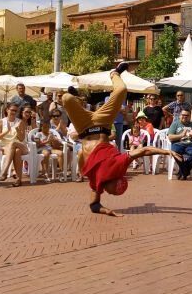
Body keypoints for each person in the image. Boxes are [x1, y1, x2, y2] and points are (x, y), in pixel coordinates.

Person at [62, 63, 181, 216]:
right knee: (121, 90)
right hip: (102, 122)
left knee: (66, 98)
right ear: (115, 180)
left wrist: (106, 211)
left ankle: (78, 98)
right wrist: (167, 151)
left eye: (113, 193)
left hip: (83, 128)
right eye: (114, 191)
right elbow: (144, 150)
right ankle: (114, 73)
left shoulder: (97, 184)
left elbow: (94, 206)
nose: (111, 194)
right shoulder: (118, 166)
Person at [0, 102, 29, 187]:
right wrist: (5, 132)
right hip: (5, 147)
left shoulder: (20, 122)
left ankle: (4, 172)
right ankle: (18, 180)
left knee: (13, 143)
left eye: (15, 111)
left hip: (20, 145)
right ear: (7, 110)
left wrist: (17, 130)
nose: (13, 112)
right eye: (12, 110)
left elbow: (21, 139)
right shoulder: (1, 122)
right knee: (17, 152)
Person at [167, 110, 192, 180]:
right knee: (176, 152)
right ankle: (185, 172)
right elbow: (170, 137)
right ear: (180, 116)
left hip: (190, 144)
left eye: (187, 115)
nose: (185, 117)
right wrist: (181, 135)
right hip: (178, 144)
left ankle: (183, 171)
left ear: (189, 116)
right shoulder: (175, 124)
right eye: (183, 115)